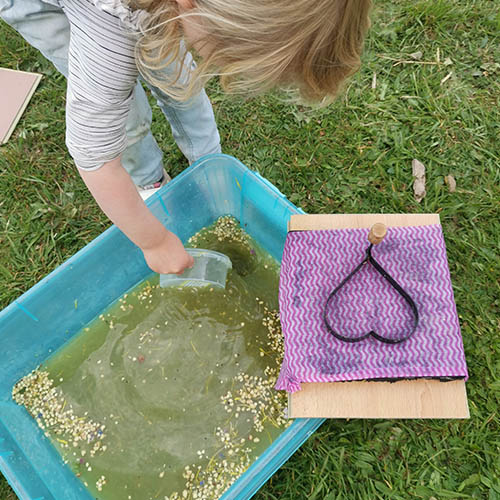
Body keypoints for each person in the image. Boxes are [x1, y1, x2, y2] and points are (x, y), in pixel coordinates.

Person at [0, 0, 371, 275]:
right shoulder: (107, 39)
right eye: (228, 54)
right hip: (44, 5)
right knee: (121, 111)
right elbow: (94, 156)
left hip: (158, 11)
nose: (224, 66)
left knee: (178, 77)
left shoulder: (188, 10)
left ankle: (207, 164)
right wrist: (155, 241)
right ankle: (150, 180)